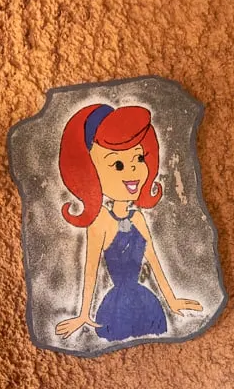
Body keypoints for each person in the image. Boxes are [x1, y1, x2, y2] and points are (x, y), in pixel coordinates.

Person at [54, 104, 201, 341]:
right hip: (115, 307)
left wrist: (172, 300)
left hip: (146, 301)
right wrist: (82, 315)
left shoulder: (138, 217)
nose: (133, 170)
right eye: (117, 164)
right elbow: (90, 269)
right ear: (90, 172)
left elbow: (153, 260)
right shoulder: (100, 221)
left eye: (139, 158)